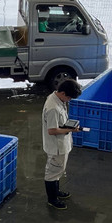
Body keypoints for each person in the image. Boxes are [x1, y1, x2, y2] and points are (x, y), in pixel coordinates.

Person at [42, 79, 83, 210]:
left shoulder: (58, 99)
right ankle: (52, 199)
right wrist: (70, 129)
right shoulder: (53, 107)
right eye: (69, 97)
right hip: (56, 147)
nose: (69, 100)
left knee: (58, 170)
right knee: (52, 172)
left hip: (62, 144)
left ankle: (56, 191)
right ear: (63, 93)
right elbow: (52, 130)